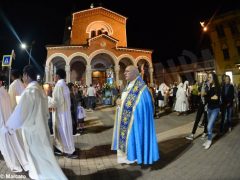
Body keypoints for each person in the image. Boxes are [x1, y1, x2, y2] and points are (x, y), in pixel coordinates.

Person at [5, 65, 67, 179]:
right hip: (42, 128)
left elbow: (20, 113)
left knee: (38, 157)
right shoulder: (39, 89)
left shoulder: (29, 91)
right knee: (44, 157)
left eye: (23, 76)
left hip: (33, 131)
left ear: (26, 75)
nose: (23, 78)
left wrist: (8, 127)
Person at [111, 65, 159, 165]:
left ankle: (136, 156)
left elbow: (140, 106)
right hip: (129, 122)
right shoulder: (129, 85)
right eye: (124, 71)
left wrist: (121, 103)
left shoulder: (141, 89)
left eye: (127, 71)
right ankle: (130, 155)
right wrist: (119, 102)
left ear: (134, 73)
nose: (124, 73)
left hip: (136, 121)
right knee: (130, 139)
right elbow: (126, 100)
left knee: (135, 136)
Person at [0, 76, 29, 173]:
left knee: (7, 146)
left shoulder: (9, 88)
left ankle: (15, 165)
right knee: (16, 143)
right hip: (11, 121)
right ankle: (23, 162)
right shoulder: (4, 92)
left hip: (3, 125)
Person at [49, 69, 77, 159]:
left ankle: (68, 151)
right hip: (66, 113)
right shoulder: (64, 85)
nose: (54, 77)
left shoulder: (58, 85)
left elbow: (56, 102)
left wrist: (47, 99)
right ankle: (68, 149)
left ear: (57, 76)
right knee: (66, 132)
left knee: (63, 132)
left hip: (61, 114)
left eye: (54, 75)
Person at [186, 72, 209, 140]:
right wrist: (200, 92)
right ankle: (192, 134)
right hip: (201, 103)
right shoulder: (202, 84)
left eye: (205, 76)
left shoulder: (208, 84)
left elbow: (206, 93)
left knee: (206, 119)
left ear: (207, 77)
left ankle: (205, 132)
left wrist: (202, 93)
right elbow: (199, 92)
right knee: (197, 119)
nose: (204, 77)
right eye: (203, 76)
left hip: (206, 104)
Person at [203, 72, 221, 150]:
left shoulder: (217, 87)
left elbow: (216, 98)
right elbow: (205, 95)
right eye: (208, 77)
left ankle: (209, 141)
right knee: (210, 126)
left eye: (210, 77)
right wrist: (208, 97)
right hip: (209, 109)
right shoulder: (209, 86)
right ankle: (208, 139)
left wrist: (208, 98)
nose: (208, 79)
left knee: (209, 126)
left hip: (215, 109)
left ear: (214, 78)